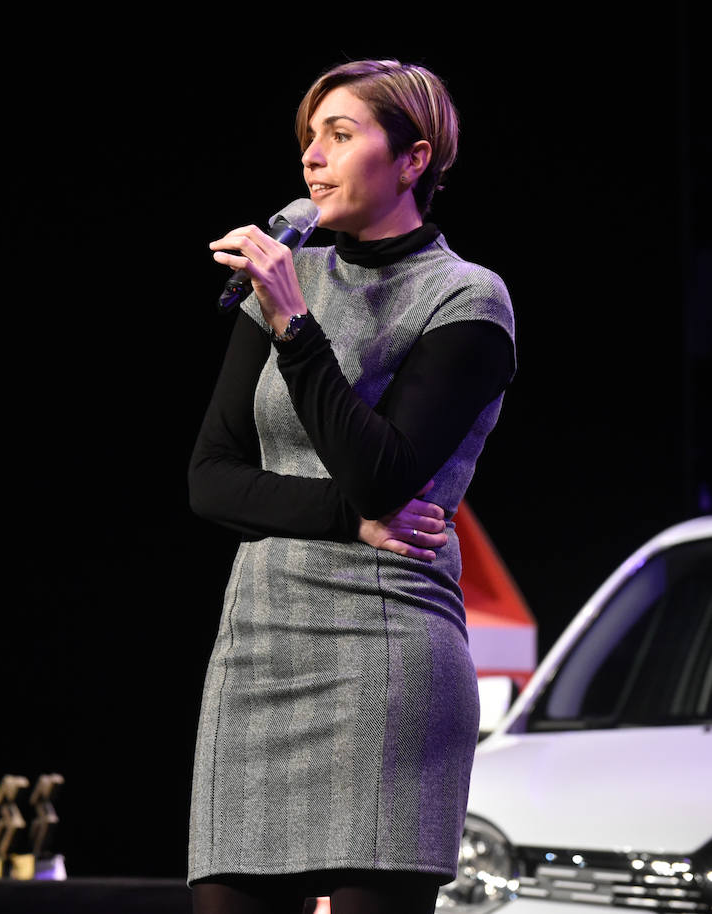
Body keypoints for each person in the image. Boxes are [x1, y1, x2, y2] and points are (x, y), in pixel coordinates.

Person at [187, 60, 516, 914]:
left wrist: (297, 326)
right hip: (259, 645)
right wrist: (349, 521)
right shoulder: (281, 286)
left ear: (412, 161)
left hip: (388, 650)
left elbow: (383, 472)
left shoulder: (467, 299)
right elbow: (212, 481)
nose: (311, 156)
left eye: (339, 135)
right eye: (308, 137)